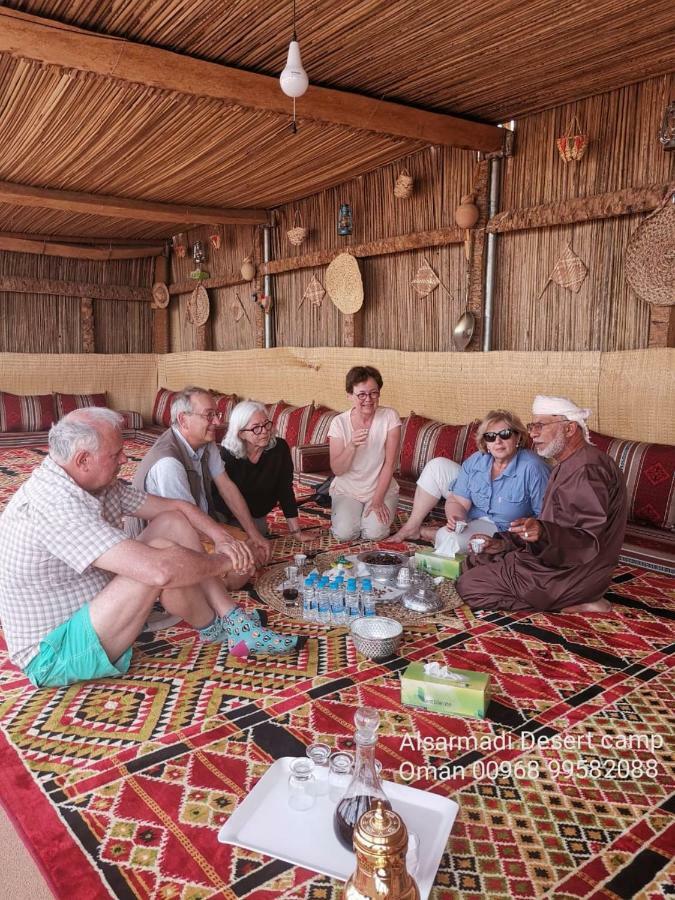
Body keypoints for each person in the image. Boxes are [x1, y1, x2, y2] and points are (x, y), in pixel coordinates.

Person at [0, 408, 300, 688]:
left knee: (172, 523)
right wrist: (225, 561)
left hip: (90, 611)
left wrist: (221, 539)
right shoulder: (55, 504)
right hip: (55, 652)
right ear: (82, 460)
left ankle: (229, 622)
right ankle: (224, 624)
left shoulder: (88, 481)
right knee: (161, 560)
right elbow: (159, 572)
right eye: (115, 454)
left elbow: (178, 509)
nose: (124, 461)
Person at [457, 395, 628, 614]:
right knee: (475, 561)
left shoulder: (587, 470)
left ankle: (572, 602)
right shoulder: (569, 463)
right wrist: (504, 544)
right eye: (532, 426)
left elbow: (586, 541)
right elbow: (553, 525)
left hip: (571, 573)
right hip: (557, 561)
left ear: (569, 429)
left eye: (541, 426)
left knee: (470, 586)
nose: (533, 433)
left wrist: (542, 531)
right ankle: (560, 598)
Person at [130, 387, 271, 564]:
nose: (218, 421)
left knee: (252, 545)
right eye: (209, 415)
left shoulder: (205, 442)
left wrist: (253, 535)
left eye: (217, 414)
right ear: (183, 419)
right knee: (242, 562)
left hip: (201, 523)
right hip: (163, 542)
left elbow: (226, 487)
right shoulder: (168, 463)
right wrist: (229, 542)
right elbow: (186, 521)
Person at [388, 409, 550, 552]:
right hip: (473, 516)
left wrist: (513, 541)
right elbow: (457, 500)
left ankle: (433, 533)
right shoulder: (478, 460)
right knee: (436, 466)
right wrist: (456, 518)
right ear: (485, 443)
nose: (498, 441)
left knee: (451, 541)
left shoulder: (533, 467)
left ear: (518, 438)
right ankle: (412, 527)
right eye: (490, 437)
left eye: (505, 434)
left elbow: (544, 517)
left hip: (501, 527)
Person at [216, 400, 318, 543]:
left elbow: (285, 490)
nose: (264, 431)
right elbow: (224, 495)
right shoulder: (228, 455)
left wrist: (296, 532)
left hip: (256, 513)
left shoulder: (279, 449)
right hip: (224, 512)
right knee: (239, 544)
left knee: (258, 534)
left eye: (266, 424)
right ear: (240, 433)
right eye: (256, 428)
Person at [328, 365, 401, 541]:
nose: (368, 399)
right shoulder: (339, 423)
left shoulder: (390, 417)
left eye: (373, 393)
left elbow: (390, 464)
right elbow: (337, 470)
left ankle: (376, 514)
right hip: (347, 490)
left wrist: (377, 500)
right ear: (350, 396)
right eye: (361, 394)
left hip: (380, 489)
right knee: (345, 534)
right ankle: (350, 515)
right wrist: (352, 445)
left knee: (374, 534)